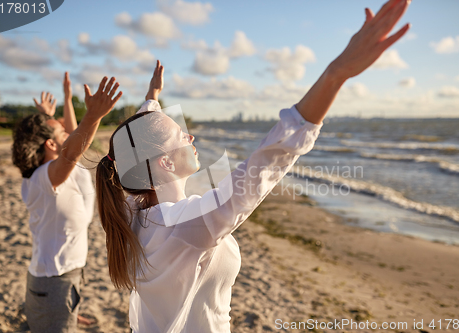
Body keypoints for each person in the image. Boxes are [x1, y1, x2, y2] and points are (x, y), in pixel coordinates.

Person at [96, 0, 411, 332]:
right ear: (164, 162)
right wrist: (336, 74)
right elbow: (263, 166)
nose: (190, 136)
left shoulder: (131, 211)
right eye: (180, 135)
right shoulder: (185, 226)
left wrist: (152, 100)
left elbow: (137, 150)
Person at [12, 73, 123, 332]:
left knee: (68, 308)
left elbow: (75, 138)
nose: (68, 131)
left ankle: (69, 312)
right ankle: (61, 314)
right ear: (51, 144)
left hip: (65, 276)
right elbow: (74, 147)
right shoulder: (43, 177)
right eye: (61, 131)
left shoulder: (54, 171)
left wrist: (66, 99)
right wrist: (93, 115)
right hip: (52, 286)